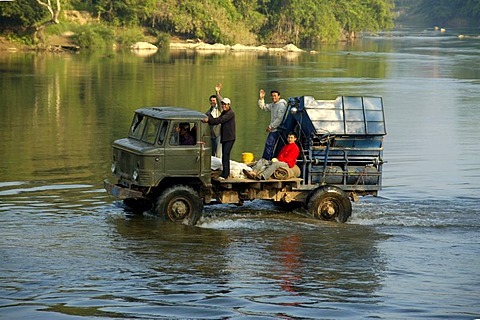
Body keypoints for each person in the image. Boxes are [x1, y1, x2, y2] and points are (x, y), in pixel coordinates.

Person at [203, 97, 236, 180]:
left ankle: (225, 174)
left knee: (225, 155)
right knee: (225, 156)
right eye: (222, 104)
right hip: (225, 137)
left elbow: (220, 120)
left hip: (229, 138)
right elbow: (218, 119)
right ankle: (225, 172)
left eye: (225, 104)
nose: (223, 106)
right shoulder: (224, 112)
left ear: (229, 105)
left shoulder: (230, 113)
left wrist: (209, 120)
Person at [258, 89, 288, 160]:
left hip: (277, 129)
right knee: (270, 145)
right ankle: (268, 159)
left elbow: (279, 119)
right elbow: (264, 107)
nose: (273, 97)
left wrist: (271, 126)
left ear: (279, 96)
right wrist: (261, 98)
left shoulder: (281, 105)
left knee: (269, 144)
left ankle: (266, 160)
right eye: (272, 96)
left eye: (275, 96)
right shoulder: (273, 105)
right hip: (274, 128)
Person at [206, 83, 223, 158]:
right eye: (211, 100)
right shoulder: (208, 112)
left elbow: (220, 102)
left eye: (214, 100)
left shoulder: (219, 109)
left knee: (218, 153)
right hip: (211, 134)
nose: (212, 102)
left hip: (218, 133)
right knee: (212, 152)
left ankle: (219, 165)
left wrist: (217, 93)